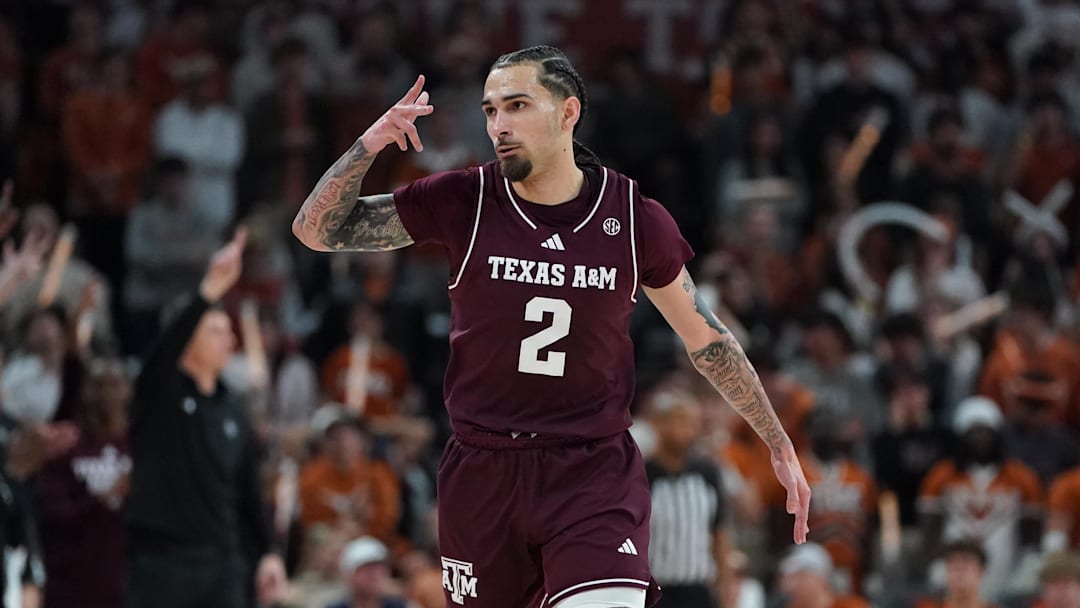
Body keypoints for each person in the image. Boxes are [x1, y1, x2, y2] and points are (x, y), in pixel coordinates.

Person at [292, 45, 810, 608]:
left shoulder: (633, 218)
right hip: (482, 471)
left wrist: (777, 441)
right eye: (490, 110)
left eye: (517, 105)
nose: (499, 125)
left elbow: (708, 341)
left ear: (568, 112)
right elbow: (317, 231)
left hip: (591, 472)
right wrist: (369, 144)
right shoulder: (465, 198)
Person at [124, 229, 286, 608]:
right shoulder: (159, 393)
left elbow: (248, 489)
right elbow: (161, 355)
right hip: (162, 564)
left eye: (228, 332)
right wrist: (208, 291)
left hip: (223, 564)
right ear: (186, 340)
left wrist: (269, 551)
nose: (229, 341)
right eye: (215, 331)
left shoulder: (233, 407)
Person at [644, 389, 734, 608]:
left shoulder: (708, 473)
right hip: (655, 592)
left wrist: (726, 586)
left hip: (698, 590)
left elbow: (719, 531)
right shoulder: (642, 475)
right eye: (679, 420)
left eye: (692, 421)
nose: (687, 428)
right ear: (658, 424)